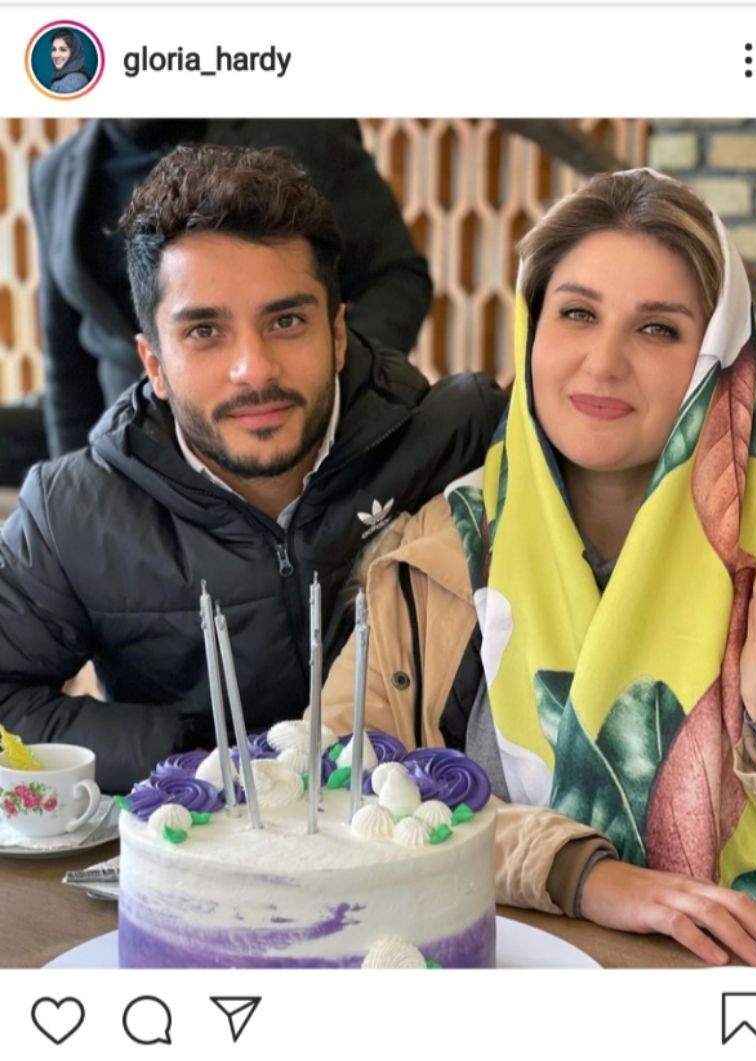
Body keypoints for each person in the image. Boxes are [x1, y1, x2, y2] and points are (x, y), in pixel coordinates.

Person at [322, 169, 756, 967]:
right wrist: (575, 872)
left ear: (717, 358)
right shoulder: (439, 550)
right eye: (577, 314)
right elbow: (333, 792)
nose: (603, 363)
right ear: (531, 329)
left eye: (658, 329)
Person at [0, 145, 504, 794]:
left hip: (423, 833)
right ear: (153, 364)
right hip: (191, 843)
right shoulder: (72, 511)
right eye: (204, 332)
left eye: (286, 321)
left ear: (338, 334)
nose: (255, 369)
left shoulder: (457, 439)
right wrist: (198, 759)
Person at [30, 119, 433, 455]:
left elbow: (396, 275)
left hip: (298, 433)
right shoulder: (55, 176)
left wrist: (330, 376)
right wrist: (74, 490)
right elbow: (67, 364)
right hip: (135, 446)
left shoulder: (303, 128)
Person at [48, 30, 89, 95]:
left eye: (63, 50)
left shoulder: (61, 86)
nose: (56, 55)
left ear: (74, 52)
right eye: (54, 49)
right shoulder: (82, 77)